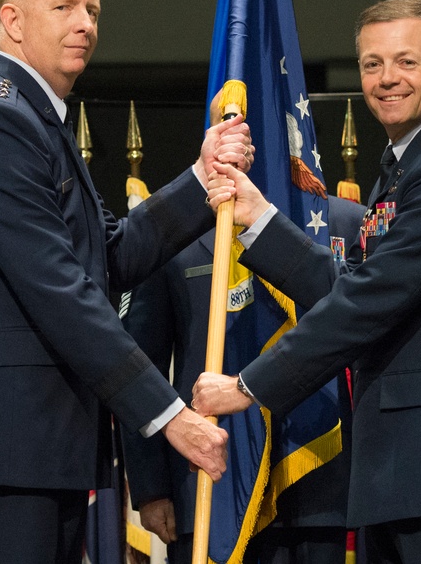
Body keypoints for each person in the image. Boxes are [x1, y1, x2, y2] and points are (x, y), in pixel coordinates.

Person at [0, 0, 251, 563]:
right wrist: (170, 416)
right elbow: (61, 293)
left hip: (36, 448)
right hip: (4, 451)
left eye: (92, 9)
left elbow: (107, 258)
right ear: (12, 21)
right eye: (64, 7)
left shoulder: (38, 119)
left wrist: (201, 181)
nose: (85, 24)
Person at [192, 0, 421, 564]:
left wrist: (248, 387)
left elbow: (368, 301)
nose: (386, 80)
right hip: (405, 474)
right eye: (372, 64)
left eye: (406, 62)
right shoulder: (408, 164)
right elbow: (350, 283)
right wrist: (258, 218)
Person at [121, 195, 366, 564]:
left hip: (320, 483)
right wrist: (151, 488)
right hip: (211, 485)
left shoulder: (346, 221)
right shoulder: (171, 227)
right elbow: (140, 363)